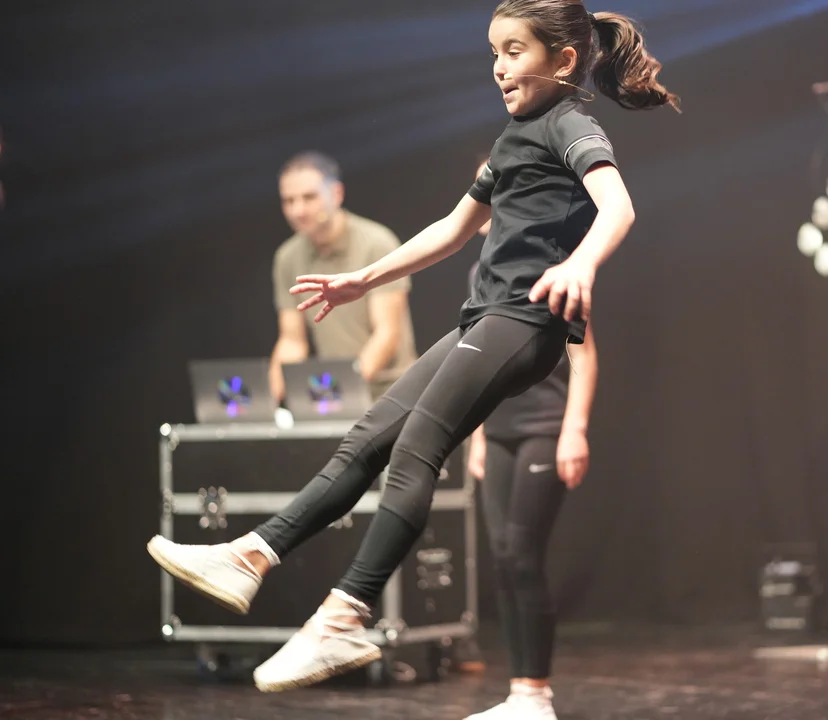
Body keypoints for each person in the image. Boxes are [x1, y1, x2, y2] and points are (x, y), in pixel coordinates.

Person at [146, 0, 678, 701]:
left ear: (564, 60)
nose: (499, 67)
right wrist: (363, 279)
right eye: (493, 53)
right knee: (368, 437)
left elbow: (619, 206)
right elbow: (453, 229)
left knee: (416, 449)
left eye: (514, 51)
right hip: (484, 319)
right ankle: (251, 555)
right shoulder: (515, 137)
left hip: (522, 323)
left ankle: (345, 616)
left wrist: (580, 264)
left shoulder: (569, 123)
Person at [464, 227, 599, 720]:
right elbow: (479, 358)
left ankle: (537, 695)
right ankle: (519, 693)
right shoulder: (481, 271)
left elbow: (583, 352)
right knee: (503, 556)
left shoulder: (559, 268)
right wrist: (478, 434)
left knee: (523, 555)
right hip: (498, 430)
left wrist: (574, 430)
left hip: (545, 426)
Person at [270, 151, 417, 403]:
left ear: (336, 194)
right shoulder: (288, 257)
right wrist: (269, 404)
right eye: (289, 201)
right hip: (336, 394)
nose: (298, 210)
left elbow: (386, 333)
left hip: (392, 393)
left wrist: (339, 395)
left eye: (309, 197)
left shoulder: (375, 243)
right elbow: (292, 341)